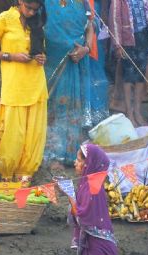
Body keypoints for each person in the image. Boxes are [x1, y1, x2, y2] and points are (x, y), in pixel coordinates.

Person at [0, 0, 48, 182]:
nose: (31, 13)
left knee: (33, 135)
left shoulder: (37, 21)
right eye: (28, 8)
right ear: (20, 1)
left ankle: (25, 177)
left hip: (36, 83)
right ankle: (6, 175)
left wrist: (42, 57)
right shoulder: (3, 19)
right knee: (13, 134)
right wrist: (11, 56)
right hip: (14, 86)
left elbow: (41, 50)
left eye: (35, 10)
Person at [44, 0, 109, 171]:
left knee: (75, 107)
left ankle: (72, 154)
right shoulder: (44, 3)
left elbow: (91, 25)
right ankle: (53, 155)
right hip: (51, 62)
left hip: (78, 60)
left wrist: (86, 48)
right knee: (54, 107)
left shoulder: (83, 2)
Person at [70, 144, 118, 255]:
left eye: (78, 160)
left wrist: (70, 195)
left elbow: (82, 217)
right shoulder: (85, 185)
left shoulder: (93, 188)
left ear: (88, 164)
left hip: (99, 247)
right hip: (91, 245)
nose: (74, 163)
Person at [108, 0, 148, 127]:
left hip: (143, 36)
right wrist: (118, 45)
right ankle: (129, 112)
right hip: (128, 39)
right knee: (128, 76)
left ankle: (137, 111)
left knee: (140, 75)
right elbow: (114, 21)